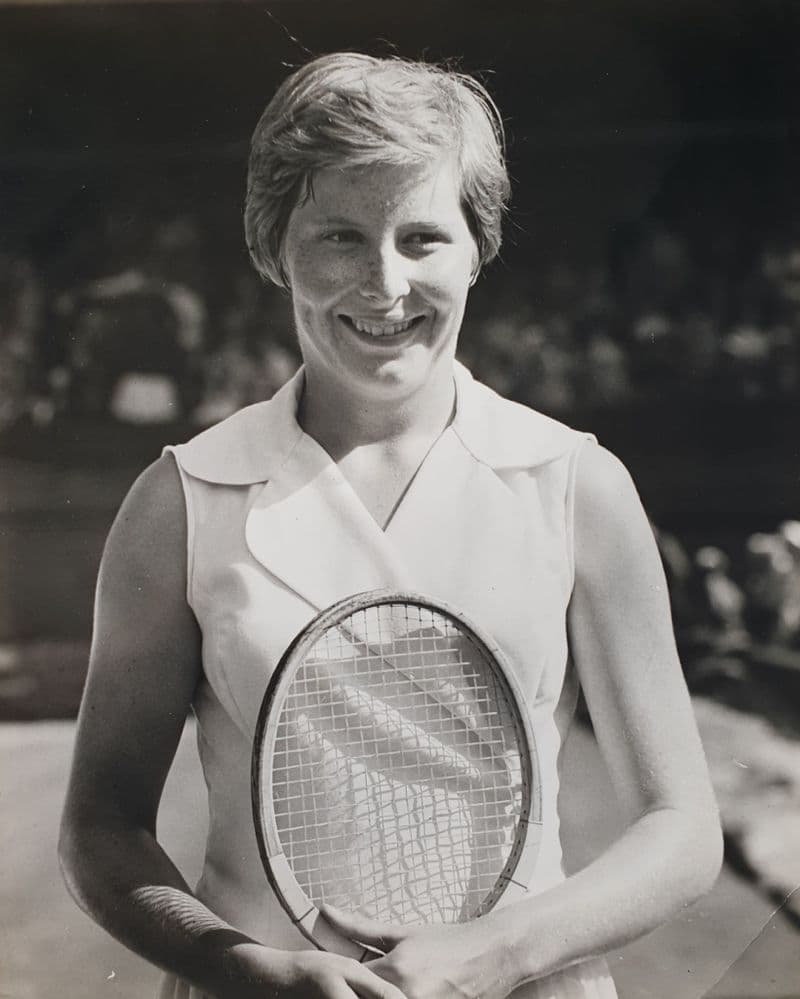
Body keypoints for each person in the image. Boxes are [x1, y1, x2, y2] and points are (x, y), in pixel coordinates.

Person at [59, 53, 723, 999]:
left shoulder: (577, 483)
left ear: (476, 248)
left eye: (422, 238)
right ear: (273, 248)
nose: (384, 283)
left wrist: (497, 954)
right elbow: (100, 827)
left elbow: (683, 829)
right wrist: (236, 963)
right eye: (340, 236)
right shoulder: (180, 500)